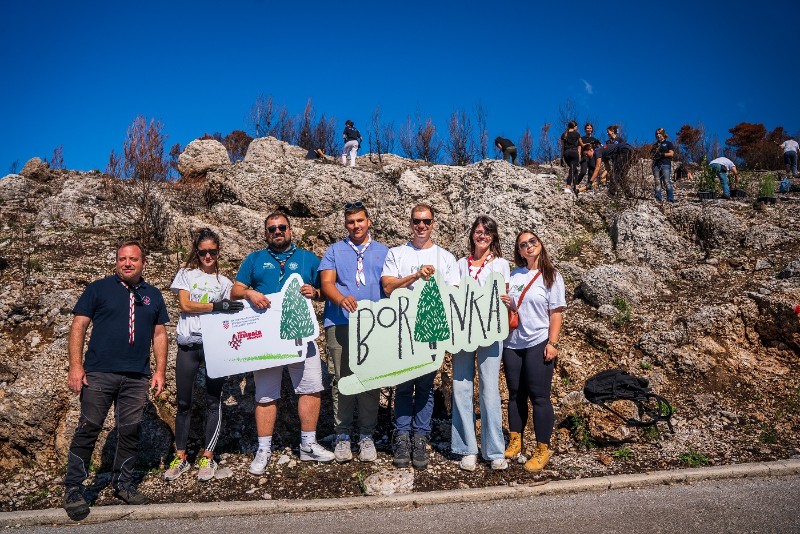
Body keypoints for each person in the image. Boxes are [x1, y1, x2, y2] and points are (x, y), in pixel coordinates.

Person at [63, 240, 169, 521]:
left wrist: (160, 371)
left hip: (137, 376)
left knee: (130, 430)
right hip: (99, 372)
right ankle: (74, 488)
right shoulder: (98, 289)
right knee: (89, 427)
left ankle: (123, 484)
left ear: (143, 263)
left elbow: (159, 335)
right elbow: (79, 326)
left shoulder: (153, 296)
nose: (127, 263)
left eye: (133, 259)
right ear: (116, 262)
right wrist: (76, 366)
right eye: (122, 258)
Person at [231, 211, 335, 475]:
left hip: (302, 332)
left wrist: (317, 292)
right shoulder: (254, 259)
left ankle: (308, 445)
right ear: (266, 234)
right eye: (271, 229)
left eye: (281, 227)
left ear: (291, 230)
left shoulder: (308, 258)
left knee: (311, 388)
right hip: (266, 337)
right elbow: (235, 290)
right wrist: (251, 292)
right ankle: (264, 449)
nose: (277, 232)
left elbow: (327, 288)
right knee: (265, 394)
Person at [381, 203, 459, 469]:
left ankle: (420, 438)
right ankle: (402, 435)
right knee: (403, 385)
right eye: (417, 221)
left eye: (426, 221)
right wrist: (415, 275)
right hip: (403, 329)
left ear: (433, 223)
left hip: (432, 331)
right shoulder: (397, 253)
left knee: (425, 387)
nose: (421, 226)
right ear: (410, 223)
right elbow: (388, 286)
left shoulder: (446, 258)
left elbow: (454, 294)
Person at [164, 228, 243, 482]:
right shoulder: (186, 274)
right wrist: (215, 306)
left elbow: (239, 306)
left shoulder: (225, 282)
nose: (207, 256)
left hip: (213, 346)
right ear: (196, 253)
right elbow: (185, 305)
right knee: (184, 403)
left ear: (218, 252)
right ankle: (181, 457)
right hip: (188, 345)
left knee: (213, 402)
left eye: (212, 251)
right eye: (202, 252)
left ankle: (208, 456)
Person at [319, 202, 390, 463]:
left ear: (368, 221)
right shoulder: (334, 251)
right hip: (340, 323)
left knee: (369, 379)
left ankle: (367, 435)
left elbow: (390, 285)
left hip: (373, 326)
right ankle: (342, 436)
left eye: (360, 220)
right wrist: (340, 299)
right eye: (351, 222)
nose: (356, 226)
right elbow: (326, 283)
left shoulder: (384, 252)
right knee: (341, 380)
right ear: (345, 224)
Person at [500, 230, 565, 473]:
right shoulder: (514, 274)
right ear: (518, 251)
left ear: (540, 244)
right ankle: (516, 440)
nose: (528, 247)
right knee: (515, 394)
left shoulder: (551, 276)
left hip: (538, 340)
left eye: (532, 242)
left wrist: (553, 342)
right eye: (523, 245)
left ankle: (542, 448)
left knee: (539, 397)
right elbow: (512, 306)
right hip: (512, 342)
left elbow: (556, 313)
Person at [451, 215, 510, 472]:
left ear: (493, 236)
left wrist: (508, 302)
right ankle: (467, 448)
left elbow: (505, 295)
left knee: (489, 390)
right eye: (477, 231)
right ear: (472, 235)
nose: (482, 235)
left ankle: (494, 450)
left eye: (487, 232)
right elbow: (452, 293)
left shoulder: (501, 264)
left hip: (490, 333)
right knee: (461, 387)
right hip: (463, 333)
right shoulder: (460, 264)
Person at [602, 125, 634, 197]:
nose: (607, 134)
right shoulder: (608, 142)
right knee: (621, 177)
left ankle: (611, 192)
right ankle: (629, 194)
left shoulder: (620, 140)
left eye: (608, 132)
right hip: (614, 160)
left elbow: (624, 149)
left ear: (613, 131)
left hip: (622, 159)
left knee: (615, 174)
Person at [652, 128, 675, 203]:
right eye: (656, 134)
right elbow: (651, 155)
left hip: (665, 164)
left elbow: (671, 154)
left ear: (663, 134)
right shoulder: (655, 145)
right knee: (657, 182)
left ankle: (670, 199)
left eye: (659, 133)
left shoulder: (668, 143)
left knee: (666, 181)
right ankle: (658, 199)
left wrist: (663, 154)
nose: (658, 135)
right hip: (656, 164)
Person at [561, 121, 585, 194]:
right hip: (574, 153)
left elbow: (562, 147)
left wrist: (561, 158)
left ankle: (576, 187)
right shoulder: (576, 134)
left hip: (566, 154)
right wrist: (589, 144)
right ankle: (568, 187)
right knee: (572, 170)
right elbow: (582, 145)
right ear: (575, 127)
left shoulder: (564, 134)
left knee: (575, 170)